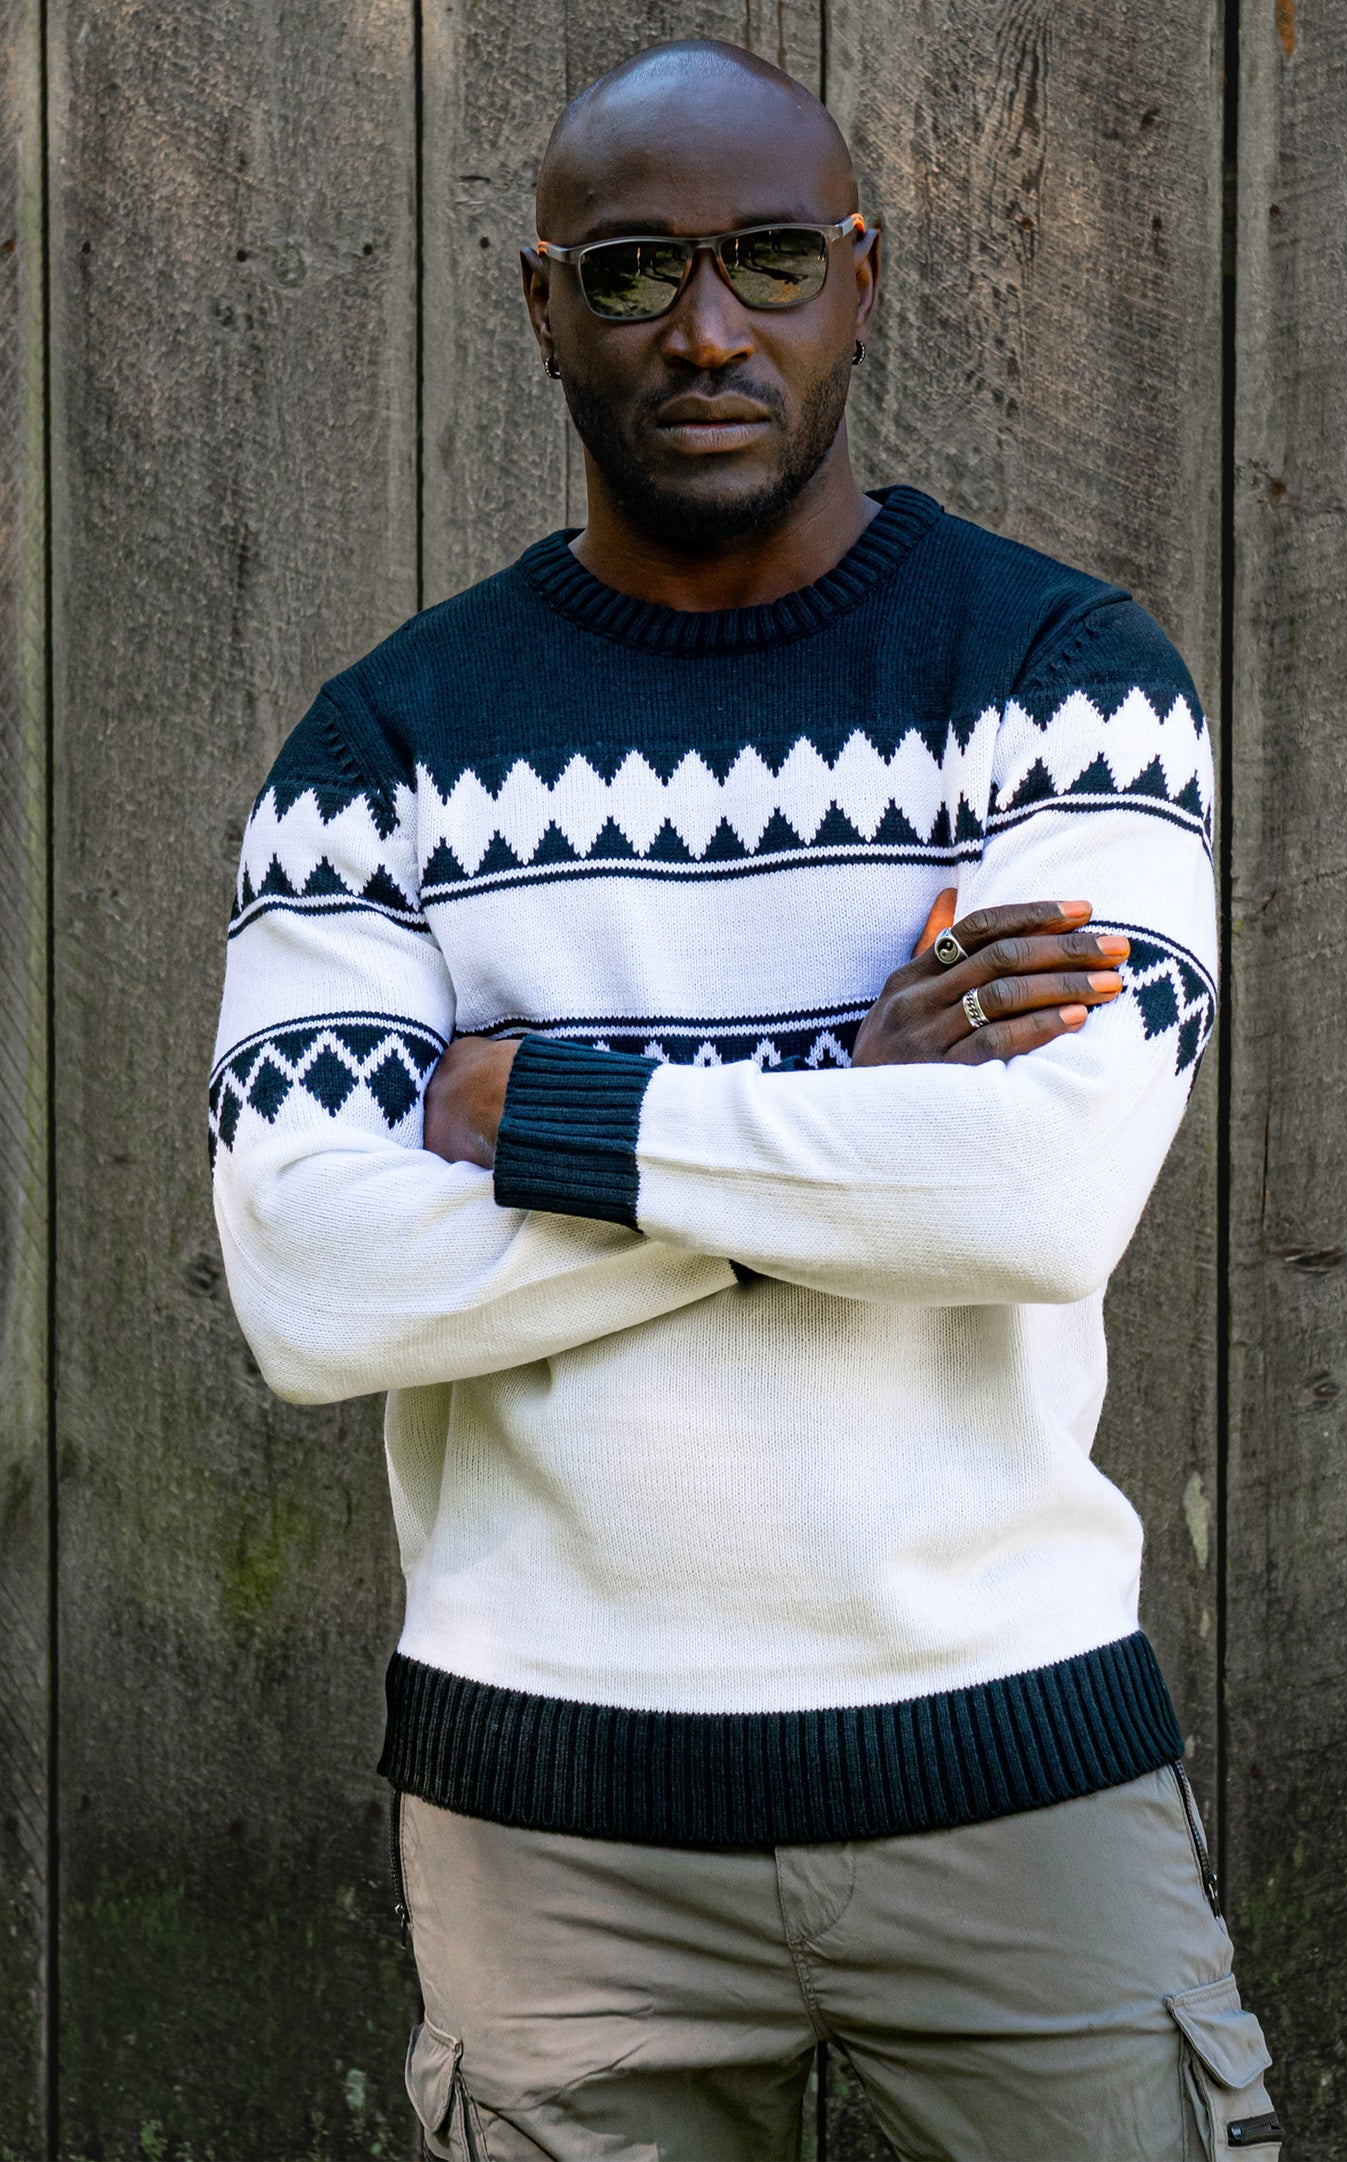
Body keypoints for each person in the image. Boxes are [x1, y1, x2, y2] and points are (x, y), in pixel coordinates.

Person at [209, 37, 1282, 2162]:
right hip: (552, 1827)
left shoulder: (1058, 675)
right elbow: (318, 1285)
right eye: (633, 272)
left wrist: (542, 1115)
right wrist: (844, 1107)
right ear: (542, 306)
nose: (707, 328)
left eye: (771, 258)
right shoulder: (387, 748)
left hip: (1012, 1770)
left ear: (859, 278)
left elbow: (1033, 1194)